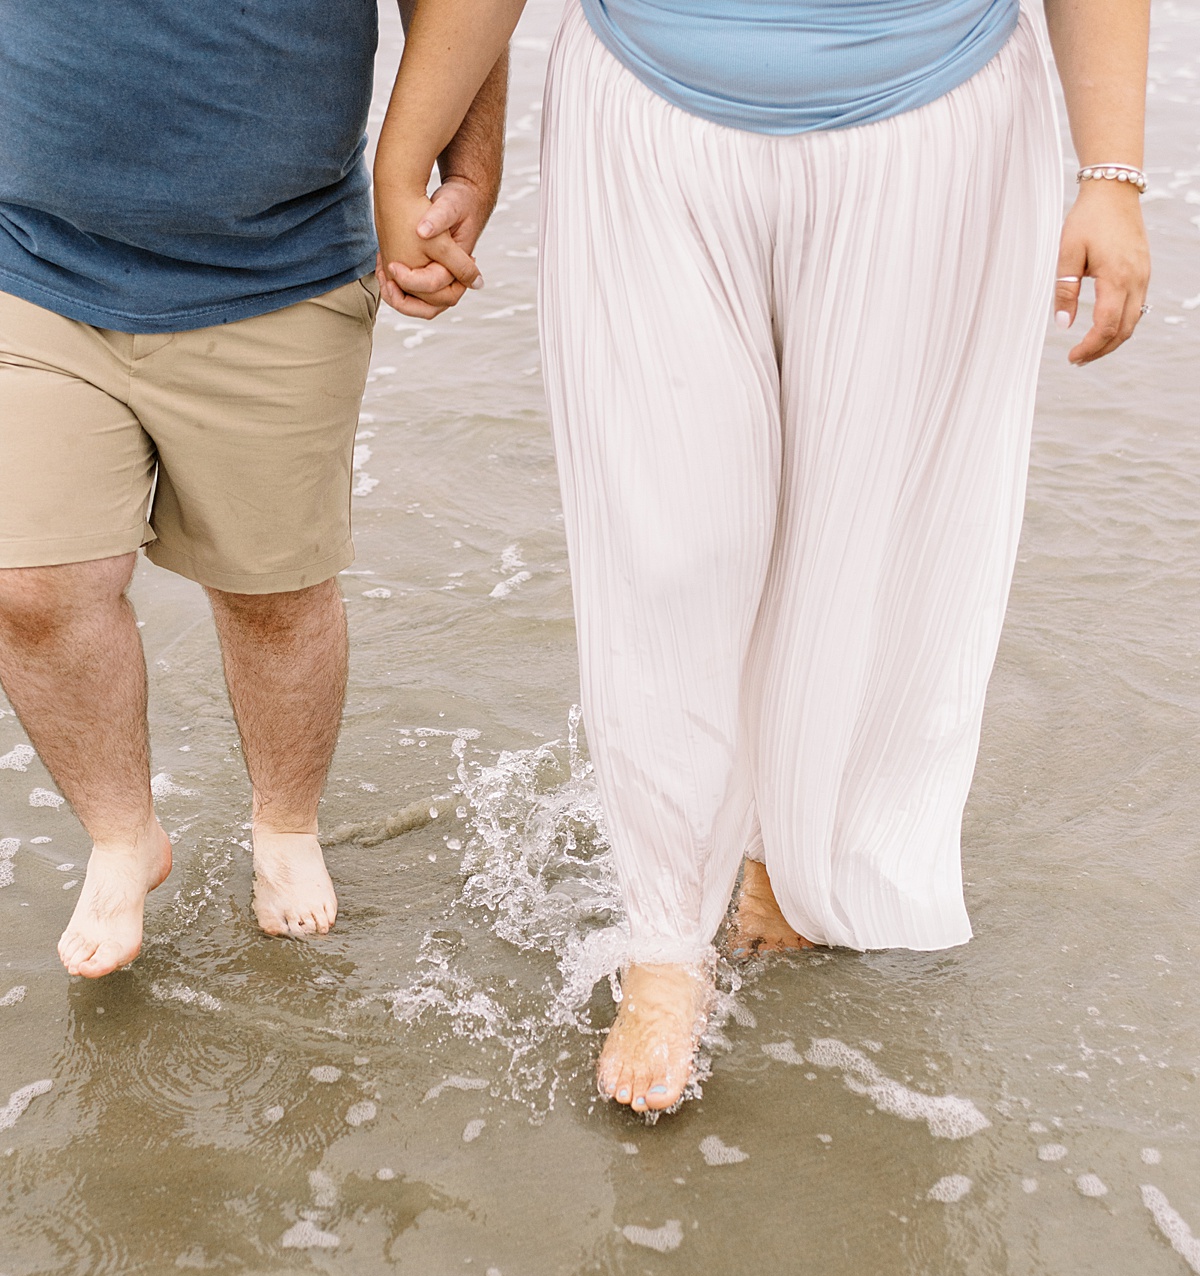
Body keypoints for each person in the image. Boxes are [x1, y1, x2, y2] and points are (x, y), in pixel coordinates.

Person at [350, 0, 1152, 1113]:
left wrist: (1111, 174)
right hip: (650, 122)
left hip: (937, 132)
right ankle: (666, 942)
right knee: (667, 548)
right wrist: (411, 146)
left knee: (866, 535)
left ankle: (790, 849)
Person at [0, 0, 505, 979]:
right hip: (29, 255)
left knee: (271, 592)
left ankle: (285, 823)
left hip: (277, 265)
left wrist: (464, 167)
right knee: (29, 584)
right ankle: (121, 837)